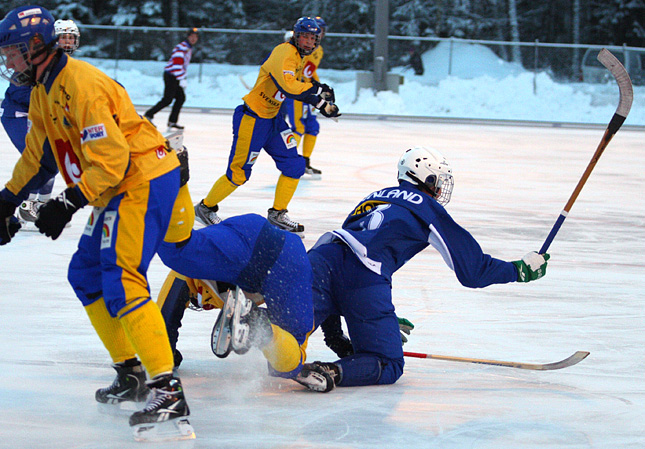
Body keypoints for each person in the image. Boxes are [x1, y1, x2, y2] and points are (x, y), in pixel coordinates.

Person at [0, 6, 194, 439]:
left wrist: (67, 202)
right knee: (85, 272)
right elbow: (38, 155)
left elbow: (113, 161)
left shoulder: (81, 85)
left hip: (144, 178)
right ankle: (131, 373)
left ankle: (168, 390)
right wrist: (7, 200)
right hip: (116, 184)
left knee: (123, 277)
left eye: (11, 52)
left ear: (35, 48)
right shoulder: (42, 90)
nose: (7, 62)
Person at [297, 146, 550, 391]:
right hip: (363, 277)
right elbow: (472, 271)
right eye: (438, 181)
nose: (440, 189)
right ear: (426, 178)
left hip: (320, 257)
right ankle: (329, 372)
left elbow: (338, 268)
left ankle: (266, 339)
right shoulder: (427, 208)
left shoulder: (372, 198)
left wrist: (336, 336)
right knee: (388, 363)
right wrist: (518, 270)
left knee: (287, 336)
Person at [193, 16, 340, 234]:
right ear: (295, 36)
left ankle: (278, 214)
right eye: (305, 37)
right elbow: (289, 87)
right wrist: (318, 97)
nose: (308, 42)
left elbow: (300, 84)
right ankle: (205, 208)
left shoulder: (299, 57)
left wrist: (320, 95)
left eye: (312, 38)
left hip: (274, 120)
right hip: (253, 119)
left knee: (295, 165)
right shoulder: (284, 52)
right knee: (240, 173)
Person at [155, 213, 332, 390]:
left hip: (276, 255)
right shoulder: (191, 270)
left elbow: (165, 313)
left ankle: (263, 326)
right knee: (286, 360)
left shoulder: (189, 278)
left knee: (289, 362)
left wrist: (163, 354)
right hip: (252, 233)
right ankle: (262, 326)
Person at [0, 18, 80, 225]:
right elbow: (19, 92)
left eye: (71, 38)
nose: (67, 42)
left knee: (52, 156)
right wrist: (48, 100)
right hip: (18, 115)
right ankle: (28, 205)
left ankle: (40, 205)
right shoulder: (36, 59)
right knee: (38, 157)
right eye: (63, 37)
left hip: (38, 116)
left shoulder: (64, 65)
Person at [280, 16, 329, 180]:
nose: (310, 40)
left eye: (315, 35)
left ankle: (305, 161)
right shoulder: (298, 49)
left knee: (312, 126)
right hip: (296, 91)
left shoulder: (317, 50)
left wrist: (318, 86)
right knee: (298, 127)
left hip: (306, 91)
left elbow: (309, 71)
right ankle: (290, 160)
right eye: (306, 36)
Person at [144, 28, 199, 131]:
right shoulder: (182, 47)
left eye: (195, 37)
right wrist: (181, 78)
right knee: (167, 99)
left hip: (175, 75)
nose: (193, 39)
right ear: (188, 37)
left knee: (180, 98)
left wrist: (181, 77)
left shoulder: (187, 47)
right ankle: (148, 115)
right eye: (191, 36)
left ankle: (172, 121)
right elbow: (177, 63)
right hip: (171, 75)